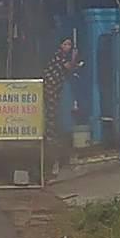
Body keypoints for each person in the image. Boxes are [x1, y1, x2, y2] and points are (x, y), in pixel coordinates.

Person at [42, 38, 80, 178]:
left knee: (57, 120)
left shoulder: (61, 56)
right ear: (60, 45)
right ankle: (52, 157)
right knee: (52, 120)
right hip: (51, 89)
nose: (67, 47)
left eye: (69, 44)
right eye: (65, 44)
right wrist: (74, 57)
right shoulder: (59, 55)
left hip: (56, 90)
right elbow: (68, 67)